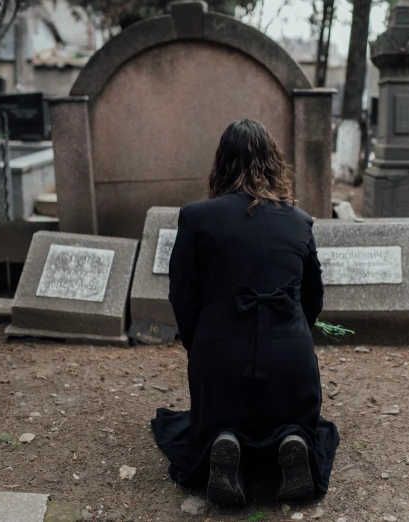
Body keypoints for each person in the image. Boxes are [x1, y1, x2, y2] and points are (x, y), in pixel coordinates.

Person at [151, 119, 340, 505]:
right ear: (273, 163)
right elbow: (313, 299)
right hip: (291, 359)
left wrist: (199, 344)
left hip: (220, 354)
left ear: (220, 163)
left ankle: (226, 438)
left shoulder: (196, 217)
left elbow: (182, 295)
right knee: (301, 419)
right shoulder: (300, 222)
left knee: (215, 416)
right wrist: (292, 333)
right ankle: (292, 437)